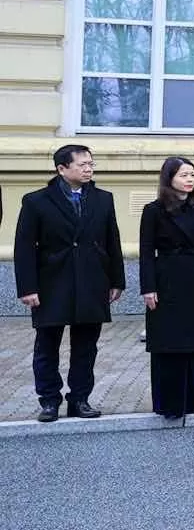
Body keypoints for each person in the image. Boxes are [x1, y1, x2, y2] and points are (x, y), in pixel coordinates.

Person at [15, 145, 124, 421]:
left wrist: (116, 280)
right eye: (82, 164)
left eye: (91, 164)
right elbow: (24, 247)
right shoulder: (36, 201)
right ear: (62, 169)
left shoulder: (102, 199)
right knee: (47, 345)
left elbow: (113, 240)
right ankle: (49, 400)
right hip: (52, 282)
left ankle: (80, 399)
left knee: (86, 346)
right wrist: (27, 287)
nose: (88, 169)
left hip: (91, 279)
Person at [138, 157, 194, 419]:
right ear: (169, 178)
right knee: (170, 340)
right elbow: (145, 252)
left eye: (193, 175)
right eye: (184, 175)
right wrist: (148, 287)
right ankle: (170, 402)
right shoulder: (154, 210)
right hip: (166, 279)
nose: (189, 180)